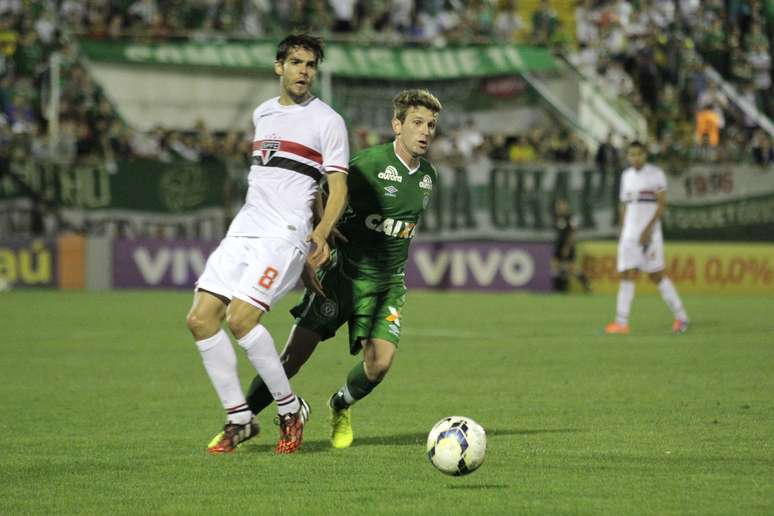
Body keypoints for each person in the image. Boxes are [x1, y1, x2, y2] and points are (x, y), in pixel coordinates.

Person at [245, 89, 443, 448]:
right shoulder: (367, 164)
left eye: (431, 125)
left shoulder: (427, 177)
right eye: (417, 123)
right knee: (290, 359)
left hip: (386, 286)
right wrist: (322, 225)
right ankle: (240, 422)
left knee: (379, 364)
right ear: (396, 125)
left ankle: (340, 405)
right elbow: (316, 187)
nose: (425, 131)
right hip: (341, 277)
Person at [185, 33, 349, 455]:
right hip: (245, 228)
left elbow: (336, 187)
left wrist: (320, 232)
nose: (303, 71)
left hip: (283, 234)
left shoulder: (328, 121)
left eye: (310, 65)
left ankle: (289, 411)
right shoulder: (263, 114)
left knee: (241, 319)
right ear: (279, 66)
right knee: (201, 319)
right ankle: (240, 418)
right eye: (296, 62)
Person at [605, 141, 688, 335]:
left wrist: (648, 230)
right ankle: (621, 322)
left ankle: (681, 317)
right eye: (631, 155)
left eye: (638, 154)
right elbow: (624, 205)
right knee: (626, 274)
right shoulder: (626, 176)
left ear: (645, 155)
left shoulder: (656, 174)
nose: (635, 158)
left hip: (650, 234)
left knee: (656, 275)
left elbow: (661, 204)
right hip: (629, 234)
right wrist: (623, 230)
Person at [552, 198, 591, 293]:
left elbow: (572, 233)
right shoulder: (557, 217)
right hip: (558, 246)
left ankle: (586, 283)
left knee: (571, 268)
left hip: (567, 246)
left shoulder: (571, 217)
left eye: (562, 205)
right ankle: (559, 289)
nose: (560, 207)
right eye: (559, 205)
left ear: (566, 206)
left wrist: (567, 247)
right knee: (555, 266)